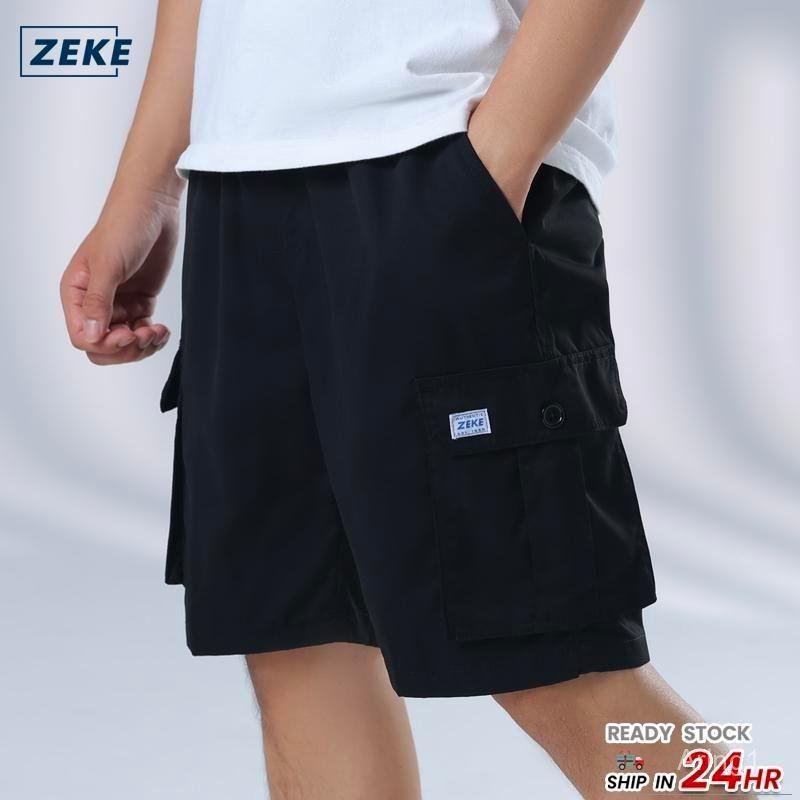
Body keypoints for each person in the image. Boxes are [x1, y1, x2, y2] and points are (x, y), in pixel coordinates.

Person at [59, 2, 755, 798]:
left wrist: (495, 160)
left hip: (440, 150)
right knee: (300, 649)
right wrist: (145, 193)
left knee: (559, 666)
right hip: (238, 180)